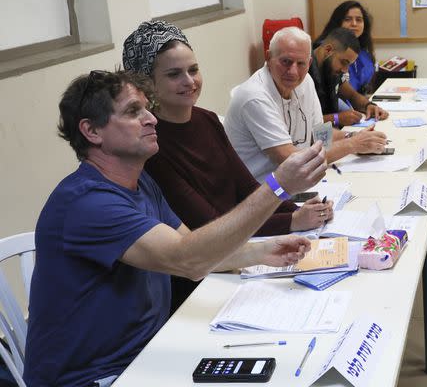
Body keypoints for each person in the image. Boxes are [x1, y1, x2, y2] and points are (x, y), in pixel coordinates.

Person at [24, 70, 323, 386]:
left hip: (146, 354)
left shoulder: (141, 183)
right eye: (132, 111)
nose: (151, 119)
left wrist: (260, 252)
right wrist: (277, 186)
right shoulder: (88, 203)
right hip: (95, 377)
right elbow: (188, 260)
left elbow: (193, 249)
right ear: (92, 131)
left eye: (147, 108)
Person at [122, 20, 333, 311]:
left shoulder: (207, 119)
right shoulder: (153, 145)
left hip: (239, 253)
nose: (189, 81)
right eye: (174, 74)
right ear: (147, 83)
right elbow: (206, 223)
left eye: (193, 70)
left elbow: (246, 186)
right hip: (202, 280)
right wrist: (291, 219)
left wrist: (302, 211)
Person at [225, 27, 388, 182]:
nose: (293, 72)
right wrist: (353, 145)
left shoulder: (305, 81)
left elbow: (319, 134)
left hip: (295, 184)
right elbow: (294, 162)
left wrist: (354, 137)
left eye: (301, 64)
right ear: (268, 57)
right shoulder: (255, 97)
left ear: (309, 63)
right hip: (263, 192)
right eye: (286, 62)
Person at [310, 27, 388, 127]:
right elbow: (302, 124)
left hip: (331, 135)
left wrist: (368, 105)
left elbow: (351, 95)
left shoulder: (331, 68)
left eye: (349, 65)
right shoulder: (303, 72)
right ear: (328, 50)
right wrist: (337, 119)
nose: (345, 70)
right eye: (343, 62)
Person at [314, 0, 376, 94]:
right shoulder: (325, 50)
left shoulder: (364, 52)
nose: (354, 24)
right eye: (347, 19)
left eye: (359, 19)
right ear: (337, 22)